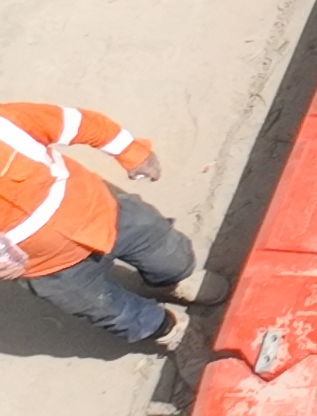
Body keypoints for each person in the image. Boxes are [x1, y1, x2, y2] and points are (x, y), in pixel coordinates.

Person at [0, 107, 188, 353]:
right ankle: (169, 330)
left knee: (172, 258)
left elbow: (80, 123)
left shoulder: (8, 125)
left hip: (108, 214)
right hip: (49, 270)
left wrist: (131, 152)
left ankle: (171, 281)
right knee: (116, 313)